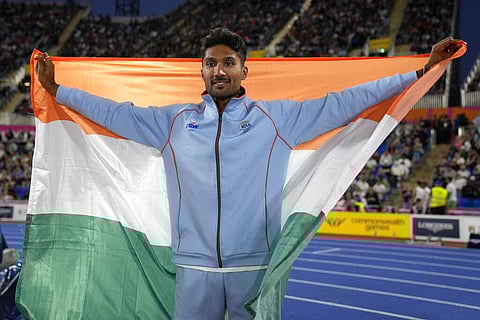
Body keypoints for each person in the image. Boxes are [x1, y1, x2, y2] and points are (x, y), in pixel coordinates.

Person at [35, 28, 463, 319]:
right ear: (201, 70)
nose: (218, 70)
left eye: (228, 62)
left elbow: (345, 102)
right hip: (193, 268)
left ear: (244, 70)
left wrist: (420, 72)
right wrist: (58, 92)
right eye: (210, 63)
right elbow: (113, 113)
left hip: (253, 267)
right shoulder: (172, 122)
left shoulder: (276, 120)